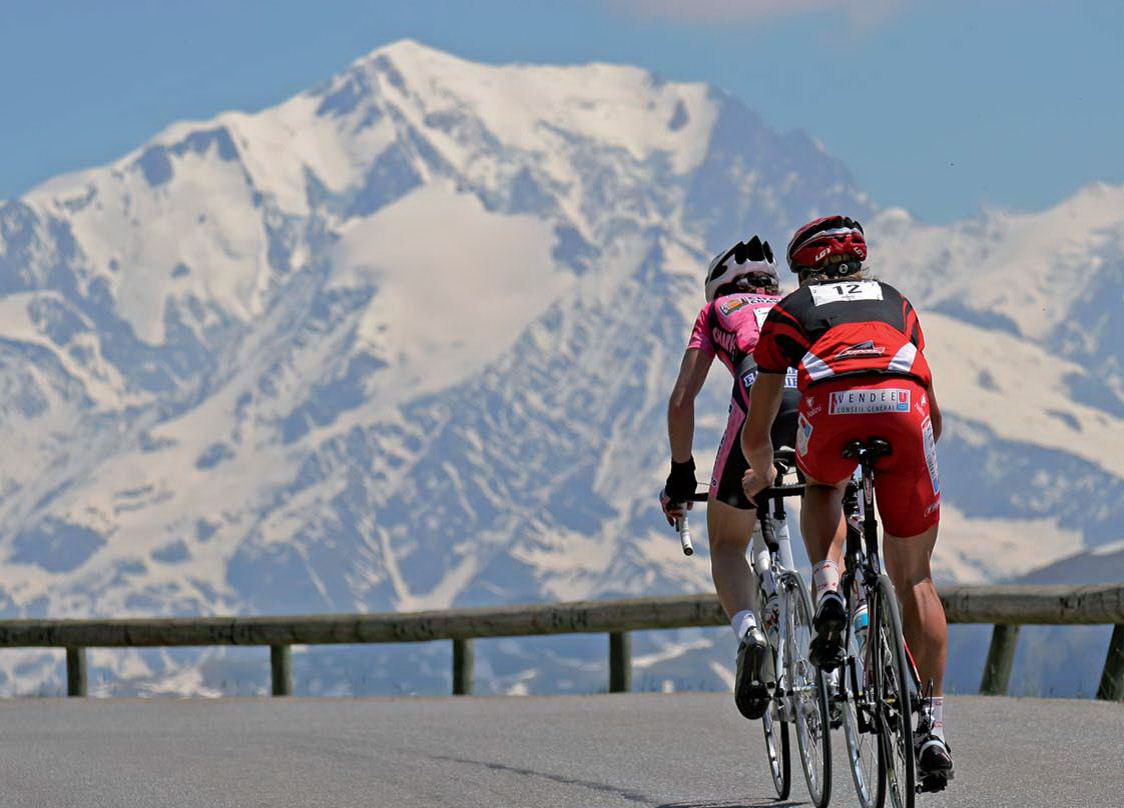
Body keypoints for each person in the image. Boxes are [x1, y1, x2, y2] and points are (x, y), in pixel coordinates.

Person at [738, 215, 953, 786]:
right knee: (917, 580)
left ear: (803, 269)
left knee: (823, 484)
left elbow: (758, 432)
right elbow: (933, 411)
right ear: (860, 261)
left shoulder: (789, 312)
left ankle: (829, 583)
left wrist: (761, 474)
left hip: (831, 407)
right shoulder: (897, 302)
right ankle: (930, 727)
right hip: (904, 408)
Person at [659, 235, 800, 721]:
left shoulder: (717, 311)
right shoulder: (798, 303)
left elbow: (682, 401)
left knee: (725, 545)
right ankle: (837, 596)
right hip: (818, 409)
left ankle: (749, 631)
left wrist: (682, 475)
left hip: (758, 409)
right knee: (830, 509)